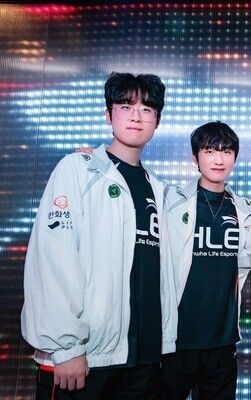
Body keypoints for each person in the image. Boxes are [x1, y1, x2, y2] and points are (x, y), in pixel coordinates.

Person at [21, 72, 177, 399]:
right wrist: (66, 347)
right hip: (86, 357)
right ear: (108, 115)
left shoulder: (157, 188)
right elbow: (53, 259)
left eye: (147, 109)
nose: (136, 116)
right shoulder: (79, 169)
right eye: (125, 106)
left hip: (144, 357)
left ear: (157, 121)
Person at [160, 121, 251, 400]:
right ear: (195, 157)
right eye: (210, 151)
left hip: (222, 341)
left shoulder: (244, 210)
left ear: (235, 157)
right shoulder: (171, 202)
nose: (218, 159)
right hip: (177, 339)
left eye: (226, 151)